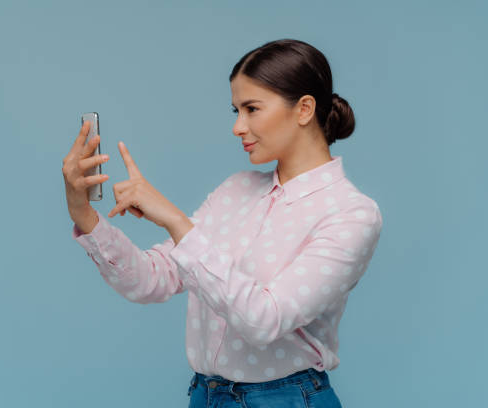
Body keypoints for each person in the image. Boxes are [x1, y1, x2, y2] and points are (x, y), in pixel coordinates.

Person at [62, 38, 382, 408]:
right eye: (236, 111)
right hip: (206, 396)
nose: (238, 127)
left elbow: (264, 319)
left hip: (286, 400)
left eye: (252, 108)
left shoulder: (351, 214)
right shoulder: (236, 190)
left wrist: (176, 222)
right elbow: (151, 280)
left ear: (304, 108)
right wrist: (82, 212)